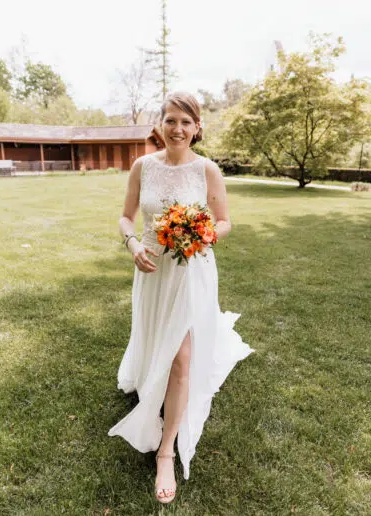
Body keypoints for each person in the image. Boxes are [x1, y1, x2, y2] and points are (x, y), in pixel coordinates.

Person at [108, 91, 254, 504]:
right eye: (171, 120)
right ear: (160, 125)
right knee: (159, 341)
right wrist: (133, 244)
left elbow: (224, 222)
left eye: (186, 122)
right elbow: (126, 216)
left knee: (182, 358)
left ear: (197, 128)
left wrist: (199, 233)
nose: (178, 129)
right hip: (153, 271)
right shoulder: (142, 166)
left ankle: (166, 450)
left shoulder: (207, 170)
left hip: (193, 271)